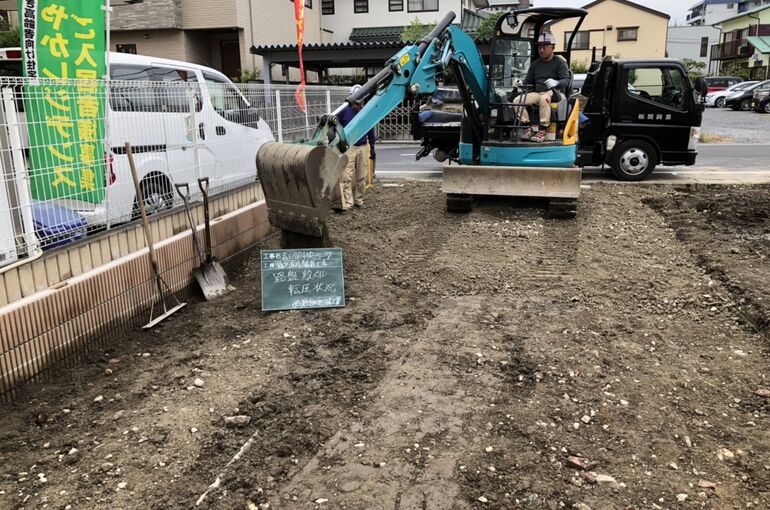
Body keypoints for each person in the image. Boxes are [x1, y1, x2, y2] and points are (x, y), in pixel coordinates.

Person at [513, 32, 570, 143]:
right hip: (537, 93)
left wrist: (556, 82)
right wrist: (520, 83)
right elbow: (528, 81)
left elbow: (566, 81)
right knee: (517, 100)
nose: (541, 50)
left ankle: (543, 129)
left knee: (544, 98)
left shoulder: (560, 63)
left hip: (554, 92)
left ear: (552, 48)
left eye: (544, 47)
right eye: (539, 47)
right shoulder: (535, 64)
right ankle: (527, 127)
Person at [332, 84, 376, 212]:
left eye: (361, 102)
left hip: (362, 146)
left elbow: (370, 130)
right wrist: (336, 141)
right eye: (357, 102)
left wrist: (372, 148)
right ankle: (348, 204)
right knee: (346, 177)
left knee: (362, 176)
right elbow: (334, 126)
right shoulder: (343, 111)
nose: (359, 105)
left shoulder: (365, 112)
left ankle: (359, 200)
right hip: (348, 147)